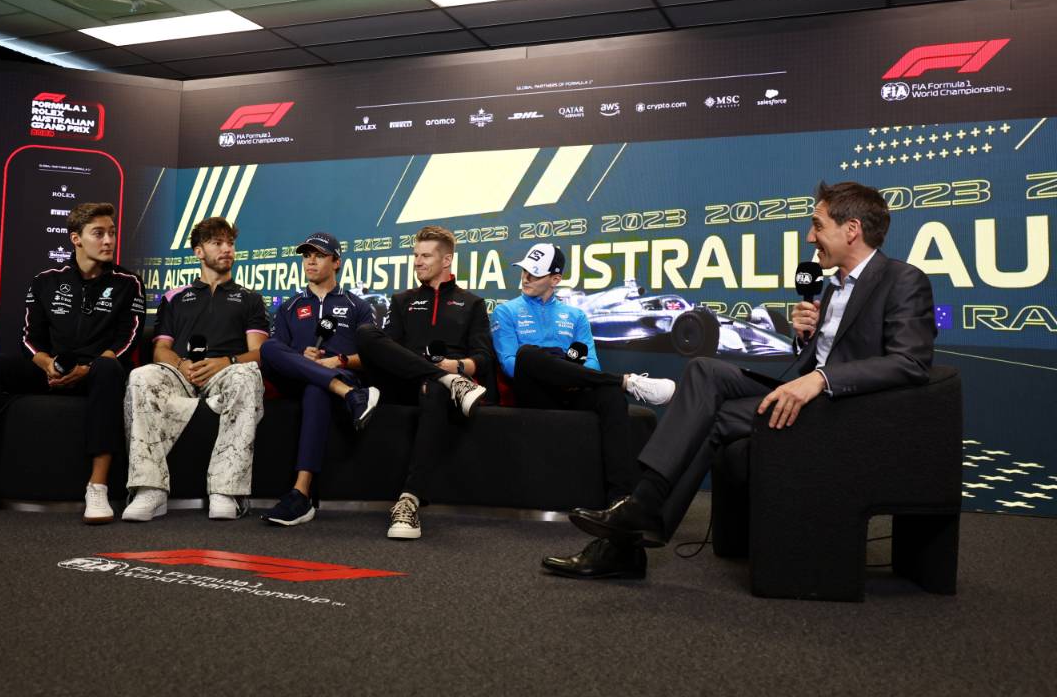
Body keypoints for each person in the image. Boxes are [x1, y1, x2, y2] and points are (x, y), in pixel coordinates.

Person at [544, 181, 936, 579]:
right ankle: (640, 512)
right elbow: (822, 357)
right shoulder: (833, 289)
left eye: (817, 225)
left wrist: (822, 378)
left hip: (843, 409)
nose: (809, 236)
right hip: (806, 395)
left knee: (716, 419)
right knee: (704, 370)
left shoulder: (903, 280)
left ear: (852, 229)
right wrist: (806, 339)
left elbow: (910, 362)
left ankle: (632, 527)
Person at [0, 202, 145, 524]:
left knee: (109, 369)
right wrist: (46, 363)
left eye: (112, 233)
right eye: (99, 233)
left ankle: (97, 486)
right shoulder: (45, 280)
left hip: (97, 372)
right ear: (76, 238)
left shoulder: (129, 282)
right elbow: (29, 337)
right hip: (51, 369)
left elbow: (128, 339)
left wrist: (87, 368)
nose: (108, 241)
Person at [491, 242, 677, 514]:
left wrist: (568, 373)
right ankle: (625, 381)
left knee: (611, 396)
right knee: (528, 355)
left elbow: (591, 363)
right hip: (533, 392)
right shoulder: (505, 312)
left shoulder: (575, 315)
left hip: (572, 389)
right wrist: (558, 363)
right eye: (524, 271)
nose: (526, 278)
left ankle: (620, 500)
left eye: (535, 273)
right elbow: (510, 365)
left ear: (555, 279)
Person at [121, 217, 267, 522]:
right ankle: (149, 489)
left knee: (247, 374)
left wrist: (226, 362)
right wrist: (181, 363)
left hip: (227, 373)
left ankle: (227, 491)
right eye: (217, 243)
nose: (227, 249)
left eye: (230, 243)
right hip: (182, 373)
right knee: (141, 376)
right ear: (199, 252)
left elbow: (258, 353)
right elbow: (161, 349)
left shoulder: (251, 298)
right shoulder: (174, 297)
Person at [356, 225, 494, 540]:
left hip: (444, 389)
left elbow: (484, 358)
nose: (417, 261)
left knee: (434, 388)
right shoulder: (401, 300)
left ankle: (409, 501)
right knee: (365, 334)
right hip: (404, 382)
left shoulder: (472, 303)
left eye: (426, 256)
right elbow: (388, 350)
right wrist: (435, 372)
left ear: (446, 260)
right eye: (416, 255)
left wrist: (456, 367)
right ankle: (445, 379)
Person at [257, 232, 380, 527]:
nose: (310, 261)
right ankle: (349, 394)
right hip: (298, 379)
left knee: (316, 388)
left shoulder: (358, 306)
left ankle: (300, 494)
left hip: (339, 374)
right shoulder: (288, 307)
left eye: (319, 255)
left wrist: (337, 361)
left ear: (336, 262)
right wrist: (301, 357)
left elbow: (373, 356)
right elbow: (277, 355)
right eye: (306, 256)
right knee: (269, 347)